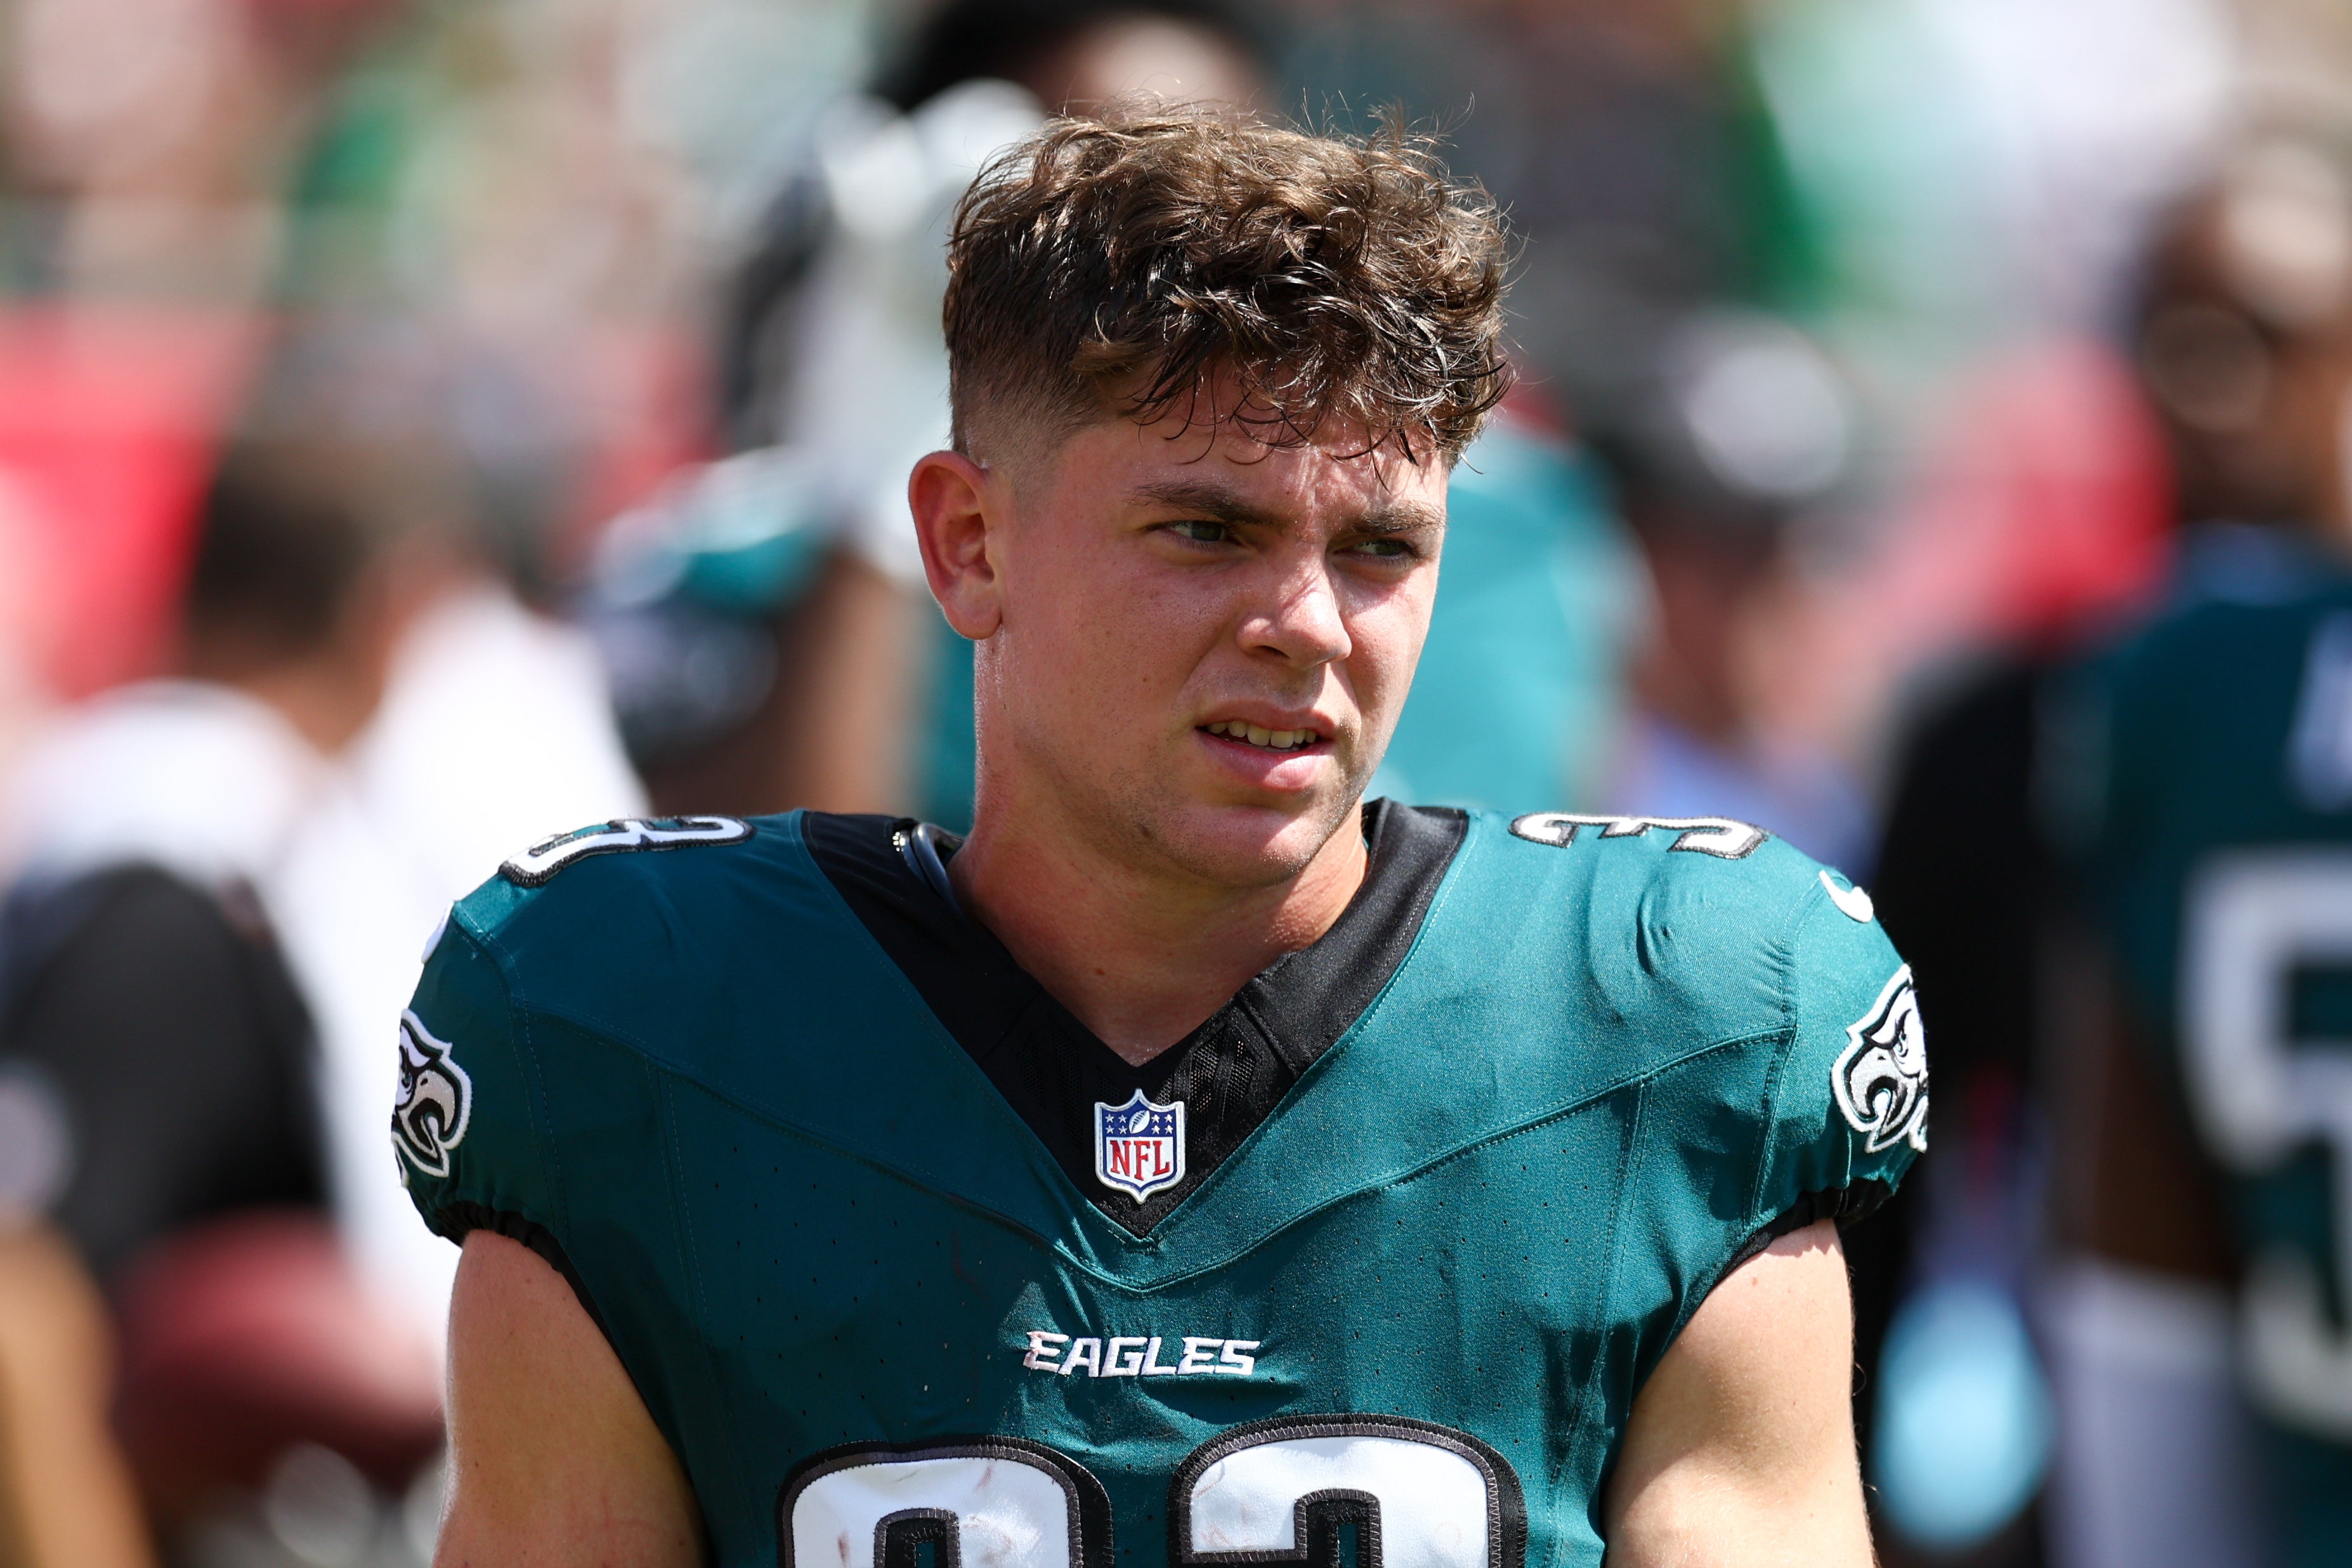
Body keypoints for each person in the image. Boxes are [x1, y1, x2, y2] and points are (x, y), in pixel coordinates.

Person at [402, 110, 1923, 1567]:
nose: (1307, 625)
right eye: (1208, 531)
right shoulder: (633, 1032)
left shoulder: (1668, 1028)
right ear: (970, 544)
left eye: (1380, 547)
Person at [2048, 130, 2352, 1568]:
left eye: (2266, 337)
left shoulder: (2178, 680)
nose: (2211, 386)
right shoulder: (2162, 684)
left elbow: (2142, 1278)